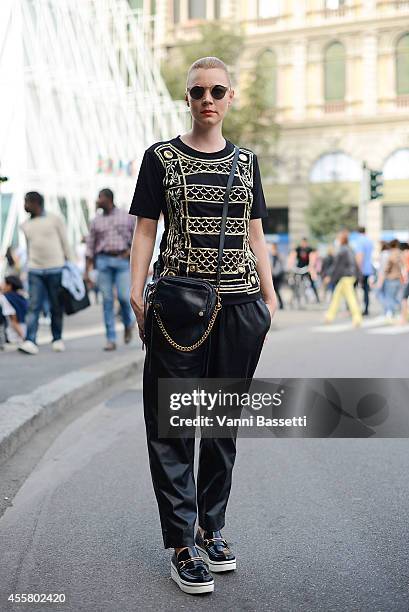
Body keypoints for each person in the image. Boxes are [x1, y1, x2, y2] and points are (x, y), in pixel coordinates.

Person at [129, 56, 277, 595]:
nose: (207, 99)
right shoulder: (162, 158)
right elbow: (146, 230)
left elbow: (255, 231)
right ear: (187, 100)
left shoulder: (247, 163)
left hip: (240, 306)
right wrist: (135, 290)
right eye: (197, 92)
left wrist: (269, 292)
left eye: (217, 90)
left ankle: (211, 526)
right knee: (172, 424)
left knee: (220, 426)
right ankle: (180, 544)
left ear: (230, 96)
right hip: (177, 303)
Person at [18, 192, 72, 355]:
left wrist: (72, 264)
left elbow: (65, 242)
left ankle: (57, 339)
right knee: (33, 305)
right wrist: (25, 269)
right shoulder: (25, 225)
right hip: (35, 270)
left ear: (36, 203)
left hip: (56, 268)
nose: (24, 206)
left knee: (56, 305)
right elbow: (28, 249)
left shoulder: (55, 219)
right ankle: (30, 340)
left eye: (26, 202)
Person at [85, 188, 136, 351]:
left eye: (100, 197)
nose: (97, 200)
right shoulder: (96, 221)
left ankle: (128, 324)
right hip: (103, 261)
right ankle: (110, 339)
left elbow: (137, 236)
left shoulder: (126, 216)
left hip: (122, 260)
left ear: (108, 199)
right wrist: (87, 271)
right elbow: (90, 246)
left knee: (123, 297)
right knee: (107, 300)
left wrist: (130, 252)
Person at [324, 229, 362, 327]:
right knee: (337, 297)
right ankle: (329, 316)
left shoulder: (342, 250)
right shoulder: (349, 249)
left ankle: (357, 318)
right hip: (349, 276)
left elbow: (336, 266)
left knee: (349, 298)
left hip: (345, 277)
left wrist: (330, 276)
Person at [377, 239, 404, 319]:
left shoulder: (391, 255)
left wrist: (382, 277)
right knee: (396, 297)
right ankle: (396, 312)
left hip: (391, 278)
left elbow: (386, 268)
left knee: (389, 297)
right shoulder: (401, 254)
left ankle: (391, 312)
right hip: (399, 278)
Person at [288, 237, 320, 303]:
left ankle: (317, 297)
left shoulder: (309, 249)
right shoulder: (298, 249)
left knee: (311, 282)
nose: (303, 244)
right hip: (299, 268)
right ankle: (293, 297)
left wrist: (311, 266)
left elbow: (313, 256)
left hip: (306, 269)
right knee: (294, 282)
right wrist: (291, 264)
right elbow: (293, 255)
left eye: (305, 242)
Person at [0, 275, 28, 345]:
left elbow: (14, 321)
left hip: (14, 336)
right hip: (25, 329)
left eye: (3, 283)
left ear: (9, 286)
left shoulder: (5, 298)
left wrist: (24, 338)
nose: (1, 285)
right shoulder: (21, 296)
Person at [355, 226, 374, 316]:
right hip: (368, 268)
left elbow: (360, 256)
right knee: (366, 290)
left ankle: (356, 308)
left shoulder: (359, 241)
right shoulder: (369, 241)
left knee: (355, 289)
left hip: (361, 269)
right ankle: (366, 308)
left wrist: (359, 269)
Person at [269, 242, 285, 309]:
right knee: (274, 290)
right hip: (273, 275)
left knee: (277, 289)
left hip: (278, 275)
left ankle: (281, 304)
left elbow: (281, 265)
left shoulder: (278, 255)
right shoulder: (270, 255)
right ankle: (278, 304)